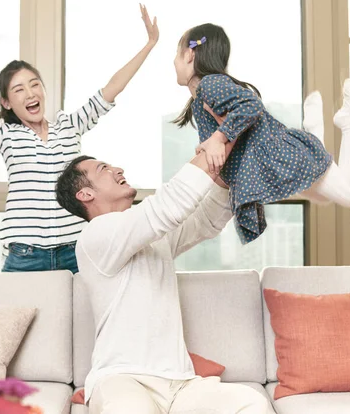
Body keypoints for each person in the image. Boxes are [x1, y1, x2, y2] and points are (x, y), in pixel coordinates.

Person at [0, 4, 159, 273]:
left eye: (34, 84)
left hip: (77, 249)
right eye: (18, 89)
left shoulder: (70, 126)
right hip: (25, 254)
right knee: (12, 314)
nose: (30, 93)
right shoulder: (4, 134)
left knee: (84, 315)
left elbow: (111, 88)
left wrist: (149, 44)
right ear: (7, 102)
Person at [54, 150, 269, 413]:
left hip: (181, 384)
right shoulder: (95, 237)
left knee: (251, 402)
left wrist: (224, 177)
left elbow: (204, 221)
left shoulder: (153, 238)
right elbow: (167, 208)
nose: (118, 169)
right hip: (123, 378)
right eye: (103, 169)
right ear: (86, 194)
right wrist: (211, 150)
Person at [173, 23, 350, 244]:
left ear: (189, 54)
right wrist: (209, 144)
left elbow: (251, 105)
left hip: (279, 157)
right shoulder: (199, 100)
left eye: (176, 55)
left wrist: (218, 137)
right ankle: (314, 136)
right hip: (273, 160)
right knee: (322, 198)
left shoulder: (210, 84)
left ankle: (348, 124)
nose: (174, 63)